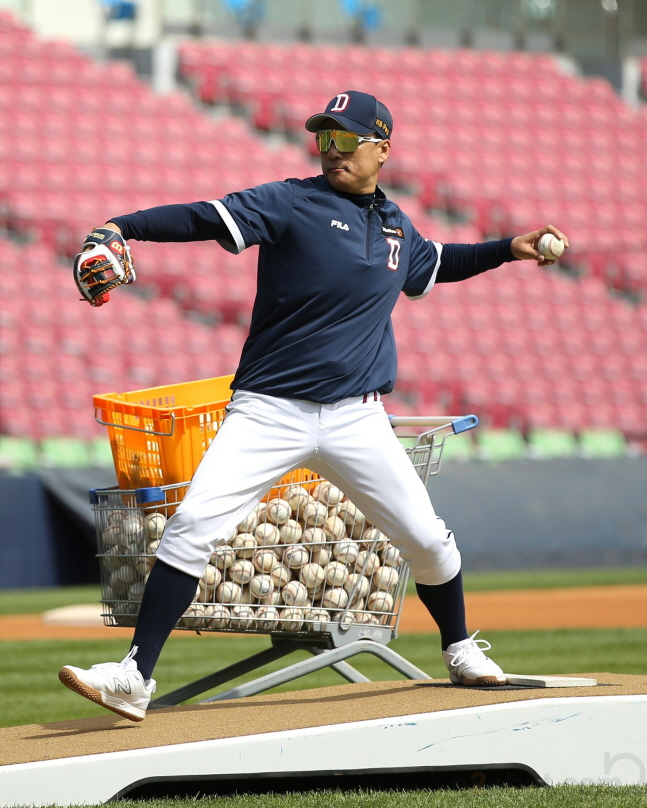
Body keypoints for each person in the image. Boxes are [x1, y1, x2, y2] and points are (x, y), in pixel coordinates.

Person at [60, 91, 569, 722]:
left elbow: (437, 263)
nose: (330, 150)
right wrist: (123, 226)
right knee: (191, 529)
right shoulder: (290, 201)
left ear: (381, 148)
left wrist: (507, 249)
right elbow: (201, 217)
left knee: (428, 542)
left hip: (357, 417)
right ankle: (134, 676)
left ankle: (460, 646)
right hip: (269, 411)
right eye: (323, 138)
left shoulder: (394, 226)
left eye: (345, 139)